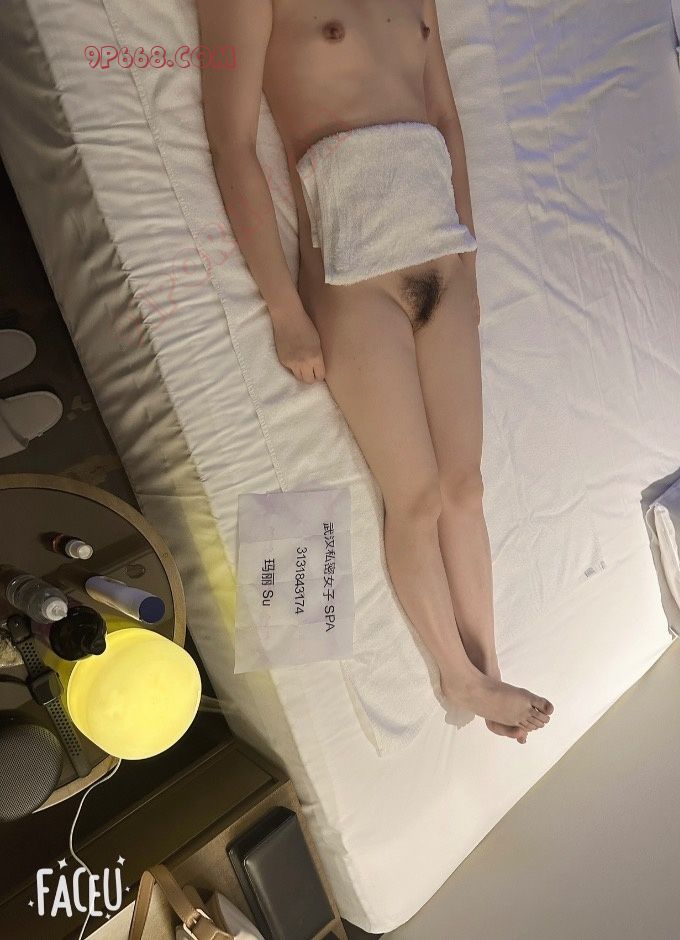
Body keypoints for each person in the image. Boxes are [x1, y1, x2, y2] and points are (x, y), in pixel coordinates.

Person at [196, 0, 554, 743]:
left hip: (443, 255)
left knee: (465, 488)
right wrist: (285, 309)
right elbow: (231, 145)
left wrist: (471, 258)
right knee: (416, 499)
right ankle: (458, 676)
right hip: (354, 274)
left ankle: (489, 671)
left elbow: (445, 118)